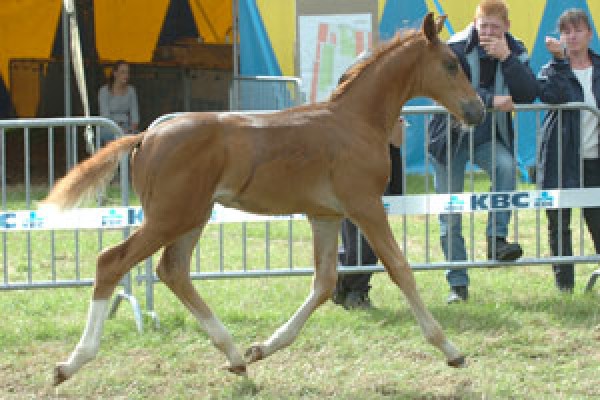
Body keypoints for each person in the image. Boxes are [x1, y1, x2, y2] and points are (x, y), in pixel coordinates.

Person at [428, 0, 538, 303]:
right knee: (450, 215)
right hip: (450, 138)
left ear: (506, 28)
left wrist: (506, 58)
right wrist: (492, 100)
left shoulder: (515, 48)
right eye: (483, 25)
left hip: (488, 137)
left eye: (495, 27)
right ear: (475, 24)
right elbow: (449, 90)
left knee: (505, 167)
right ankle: (458, 283)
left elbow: (528, 93)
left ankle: (496, 239)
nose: (488, 32)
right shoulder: (456, 47)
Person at [537, 9, 600, 293]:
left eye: (577, 30)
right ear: (560, 37)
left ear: (589, 33)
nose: (572, 36)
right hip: (560, 159)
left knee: (597, 221)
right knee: (559, 224)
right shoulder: (551, 69)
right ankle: (565, 287)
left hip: (594, 160)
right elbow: (553, 96)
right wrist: (561, 63)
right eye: (566, 31)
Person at [332, 118, 405, 309]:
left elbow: (397, 141)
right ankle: (348, 288)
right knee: (357, 238)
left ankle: (348, 288)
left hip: (378, 173)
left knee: (369, 240)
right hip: (350, 171)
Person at [98, 60, 139, 146]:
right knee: (112, 138)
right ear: (115, 73)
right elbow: (105, 116)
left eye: (127, 73)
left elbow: (135, 114)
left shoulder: (131, 90)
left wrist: (132, 128)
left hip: (127, 127)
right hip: (109, 127)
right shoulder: (104, 91)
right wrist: (118, 129)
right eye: (123, 72)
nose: (126, 76)